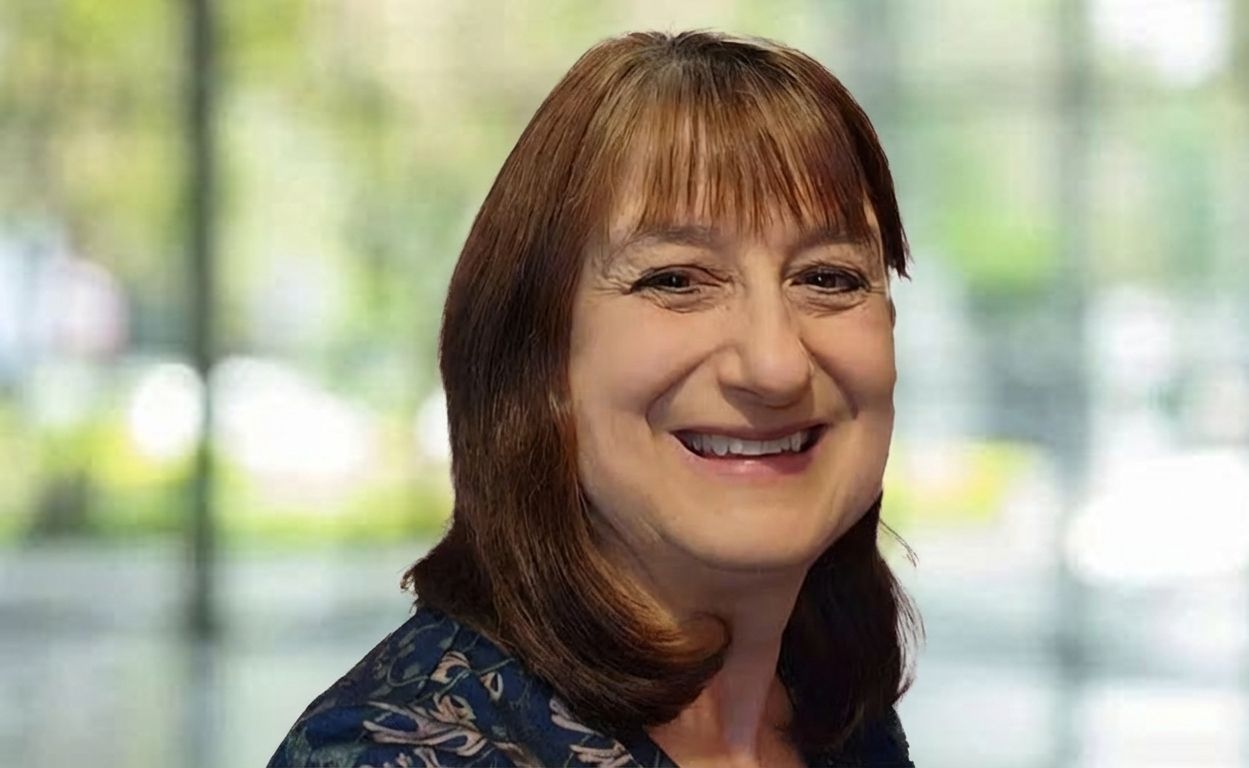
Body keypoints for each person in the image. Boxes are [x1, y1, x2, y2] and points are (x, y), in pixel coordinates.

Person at [268, 29, 920, 768]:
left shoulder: (837, 718)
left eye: (829, 278)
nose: (775, 367)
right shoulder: (396, 752)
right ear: (537, 356)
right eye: (675, 280)